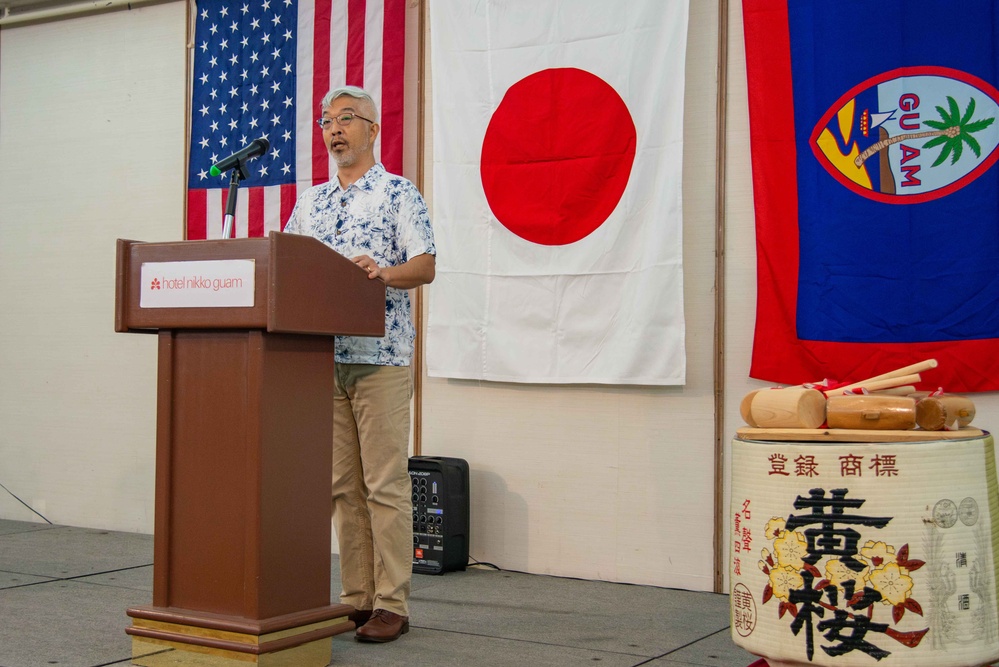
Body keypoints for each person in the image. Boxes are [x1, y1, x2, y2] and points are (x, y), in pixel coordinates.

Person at [284, 85, 436, 643]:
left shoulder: (398, 193)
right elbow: (291, 267)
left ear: (374, 130)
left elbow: (425, 264)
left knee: (386, 484)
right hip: (325, 357)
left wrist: (381, 274)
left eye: (348, 118)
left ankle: (392, 601)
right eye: (327, 120)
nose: (335, 128)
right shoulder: (310, 203)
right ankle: (355, 598)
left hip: (382, 358)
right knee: (342, 486)